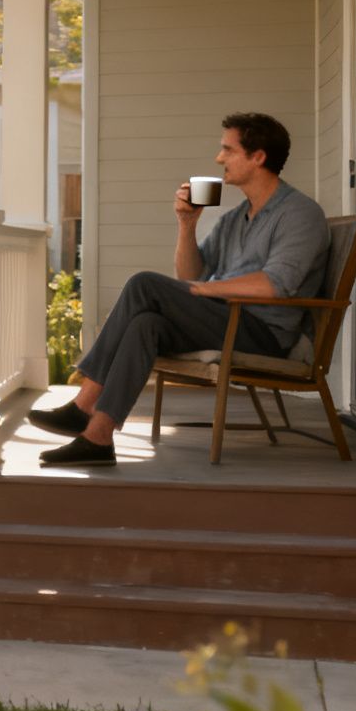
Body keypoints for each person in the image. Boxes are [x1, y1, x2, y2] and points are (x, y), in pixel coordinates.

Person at [28, 112, 329, 466]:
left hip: (260, 333)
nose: (219, 159)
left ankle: (84, 404)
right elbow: (191, 273)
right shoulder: (236, 218)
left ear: (258, 156)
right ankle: (98, 437)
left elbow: (277, 285)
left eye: (228, 150)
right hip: (222, 320)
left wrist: (206, 291)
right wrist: (187, 225)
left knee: (144, 284)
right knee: (146, 325)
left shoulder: (299, 214)